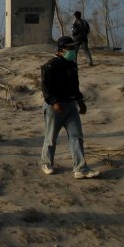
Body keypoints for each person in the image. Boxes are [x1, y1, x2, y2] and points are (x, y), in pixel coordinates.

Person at [40, 36, 100, 178]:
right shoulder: (50, 65)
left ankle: (80, 168)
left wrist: (80, 101)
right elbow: (45, 88)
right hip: (55, 107)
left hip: (70, 105)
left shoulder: (72, 65)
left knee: (76, 136)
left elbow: (75, 86)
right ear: (61, 50)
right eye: (70, 48)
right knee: (51, 137)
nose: (73, 50)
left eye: (74, 48)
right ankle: (46, 163)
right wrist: (54, 102)